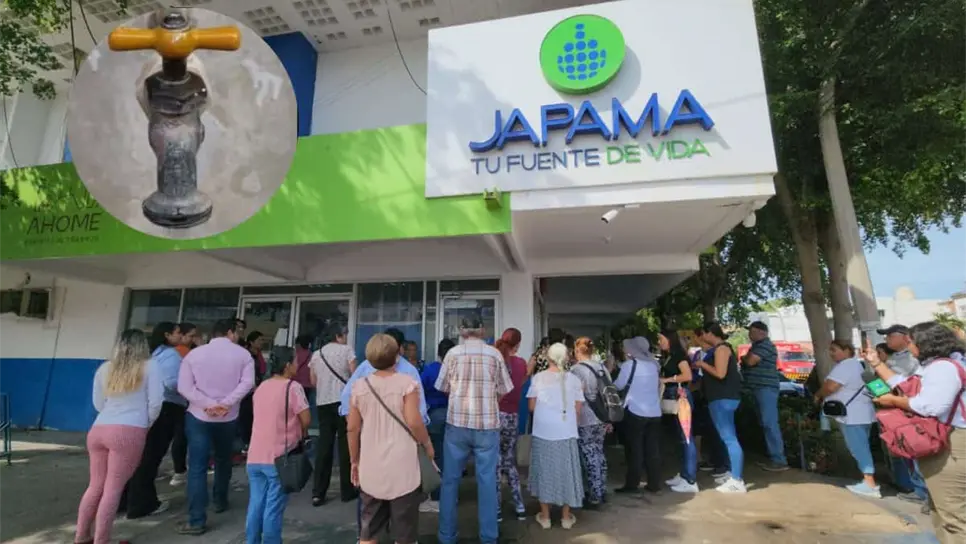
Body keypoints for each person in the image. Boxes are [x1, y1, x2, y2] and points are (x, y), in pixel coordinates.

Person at [868, 321, 966, 543]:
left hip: (953, 442)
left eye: (911, 341)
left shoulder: (943, 367)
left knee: (953, 515)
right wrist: (876, 363)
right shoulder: (941, 365)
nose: (909, 345)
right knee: (941, 509)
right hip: (949, 440)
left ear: (926, 342)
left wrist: (892, 400)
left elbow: (931, 406)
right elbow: (906, 384)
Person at [339, 328, 429, 542]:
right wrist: (427, 445)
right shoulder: (408, 380)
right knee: (405, 529)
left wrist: (354, 460)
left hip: (371, 463)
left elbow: (351, 427)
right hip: (403, 464)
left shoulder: (360, 384)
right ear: (398, 352)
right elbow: (417, 419)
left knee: (369, 528)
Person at [75, 329, 163, 544]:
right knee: (113, 488)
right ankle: (102, 540)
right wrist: (145, 425)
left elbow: (98, 403)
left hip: (99, 429)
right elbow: (155, 402)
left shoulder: (105, 368)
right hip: (129, 430)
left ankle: (81, 536)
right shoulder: (150, 366)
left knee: (95, 485)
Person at [435, 314, 514, 544]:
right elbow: (504, 388)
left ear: (461, 331)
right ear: (482, 330)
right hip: (487, 425)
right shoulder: (494, 354)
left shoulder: (452, 354)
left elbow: (442, 387)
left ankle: (446, 536)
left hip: (457, 425)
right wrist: (490, 400)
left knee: (450, 481)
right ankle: (489, 538)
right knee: (487, 481)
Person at [176, 318, 255, 535]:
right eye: (236, 332)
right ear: (229, 332)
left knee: (197, 467)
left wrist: (208, 404)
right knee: (223, 459)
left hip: (198, 416)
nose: (238, 336)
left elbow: (184, 386)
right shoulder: (243, 355)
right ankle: (220, 500)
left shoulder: (195, 354)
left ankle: (196, 520)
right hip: (228, 418)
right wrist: (226, 403)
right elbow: (247, 384)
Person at [245, 346, 311, 544]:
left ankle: (252, 541)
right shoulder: (293, 387)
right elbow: (306, 419)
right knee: (273, 508)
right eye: (295, 362)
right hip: (279, 457)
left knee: (256, 504)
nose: (298, 366)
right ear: (288, 365)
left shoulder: (261, 387)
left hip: (255, 455)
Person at [122, 322, 184, 519]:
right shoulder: (170, 355)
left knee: (136, 459)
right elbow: (171, 383)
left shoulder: (149, 355)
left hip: (139, 410)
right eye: (178, 333)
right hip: (164, 410)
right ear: (167, 335)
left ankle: (124, 500)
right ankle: (142, 503)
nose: (180, 337)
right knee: (150, 458)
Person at [528, 342, 585, 529]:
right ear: (566, 358)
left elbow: (531, 407)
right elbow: (578, 409)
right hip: (566, 431)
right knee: (566, 471)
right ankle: (566, 517)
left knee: (544, 471)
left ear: (549, 358)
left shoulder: (538, 378)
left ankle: (545, 517)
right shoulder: (575, 380)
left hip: (543, 431)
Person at [814, 339, 879, 497]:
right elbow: (877, 388)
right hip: (863, 414)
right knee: (861, 446)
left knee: (858, 448)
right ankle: (867, 480)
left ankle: (870, 483)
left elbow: (831, 387)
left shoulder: (846, 366)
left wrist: (818, 395)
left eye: (834, 350)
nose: (831, 353)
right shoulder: (858, 366)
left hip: (852, 416)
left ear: (847, 350)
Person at [876, 325, 930, 507]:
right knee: (904, 450)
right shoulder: (895, 357)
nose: (887, 340)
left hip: (911, 411)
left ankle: (923, 492)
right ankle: (916, 488)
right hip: (898, 409)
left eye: (890, 336)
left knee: (915, 451)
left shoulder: (912, 360)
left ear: (904, 337)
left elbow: (906, 385)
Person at [310, 324, 358, 506]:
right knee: (346, 446)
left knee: (324, 447)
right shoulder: (347, 351)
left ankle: (318, 492)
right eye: (345, 334)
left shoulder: (317, 354)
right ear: (339, 335)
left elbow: (313, 381)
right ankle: (347, 490)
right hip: (343, 403)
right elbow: (355, 377)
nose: (346, 337)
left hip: (323, 403)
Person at [696, 322, 746, 493]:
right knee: (726, 438)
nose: (702, 338)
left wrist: (703, 365)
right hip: (720, 398)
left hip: (723, 399)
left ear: (710, 333)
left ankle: (737, 480)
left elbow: (720, 373)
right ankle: (731, 473)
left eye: (703, 334)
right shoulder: (717, 349)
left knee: (729, 438)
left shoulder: (722, 349)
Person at [612, 336, 663, 494]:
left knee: (635, 449)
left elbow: (618, 385)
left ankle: (632, 484)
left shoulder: (630, 365)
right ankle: (654, 483)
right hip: (654, 412)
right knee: (652, 449)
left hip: (635, 411)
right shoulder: (654, 365)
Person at [741, 321, 789, 472]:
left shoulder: (765, 346)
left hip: (765, 388)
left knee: (769, 423)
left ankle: (779, 460)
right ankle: (773, 456)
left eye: (752, 331)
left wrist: (744, 358)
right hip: (758, 388)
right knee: (765, 423)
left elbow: (749, 361)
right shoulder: (756, 347)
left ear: (763, 332)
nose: (749, 334)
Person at [570, 337, 610, 507]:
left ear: (577, 351)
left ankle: (594, 495)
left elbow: (574, 395)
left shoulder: (576, 370)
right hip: (601, 416)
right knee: (599, 452)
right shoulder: (602, 368)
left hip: (585, 416)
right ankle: (602, 489)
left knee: (588, 454)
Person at [494, 327, 528, 522]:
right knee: (510, 461)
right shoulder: (521, 364)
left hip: (496, 416)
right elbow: (520, 384)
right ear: (518, 344)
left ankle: (496, 509)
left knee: (496, 464)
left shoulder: (496, 362)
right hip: (512, 418)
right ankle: (519, 505)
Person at [659, 329, 699, 493]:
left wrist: (668, 379)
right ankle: (683, 474)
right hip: (673, 397)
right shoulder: (670, 356)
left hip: (680, 397)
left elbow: (687, 376)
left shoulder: (679, 357)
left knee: (686, 437)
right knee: (681, 437)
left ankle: (690, 479)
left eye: (661, 339)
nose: (659, 343)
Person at [418, 338, 455, 513]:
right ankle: (451, 495)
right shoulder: (455, 369)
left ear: (438, 352)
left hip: (434, 415)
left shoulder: (430, 370)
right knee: (453, 456)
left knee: (436, 456)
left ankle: (438, 498)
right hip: (454, 416)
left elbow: (419, 391)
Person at [169, 322, 197, 486]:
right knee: (180, 436)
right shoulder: (181, 353)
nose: (194, 339)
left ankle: (179, 471)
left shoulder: (180, 352)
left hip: (181, 399)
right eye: (191, 335)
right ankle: (179, 471)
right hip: (182, 399)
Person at [239, 331, 267, 454]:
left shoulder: (258, 355)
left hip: (258, 389)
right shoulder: (247, 355)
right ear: (251, 342)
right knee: (246, 417)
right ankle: (245, 443)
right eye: (259, 340)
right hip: (249, 391)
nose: (262, 342)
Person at [293, 333, 315, 424]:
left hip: (295, 384)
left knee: (294, 408)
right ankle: (304, 429)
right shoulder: (312, 355)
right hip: (307, 385)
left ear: (298, 344)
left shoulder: (295, 355)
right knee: (304, 407)